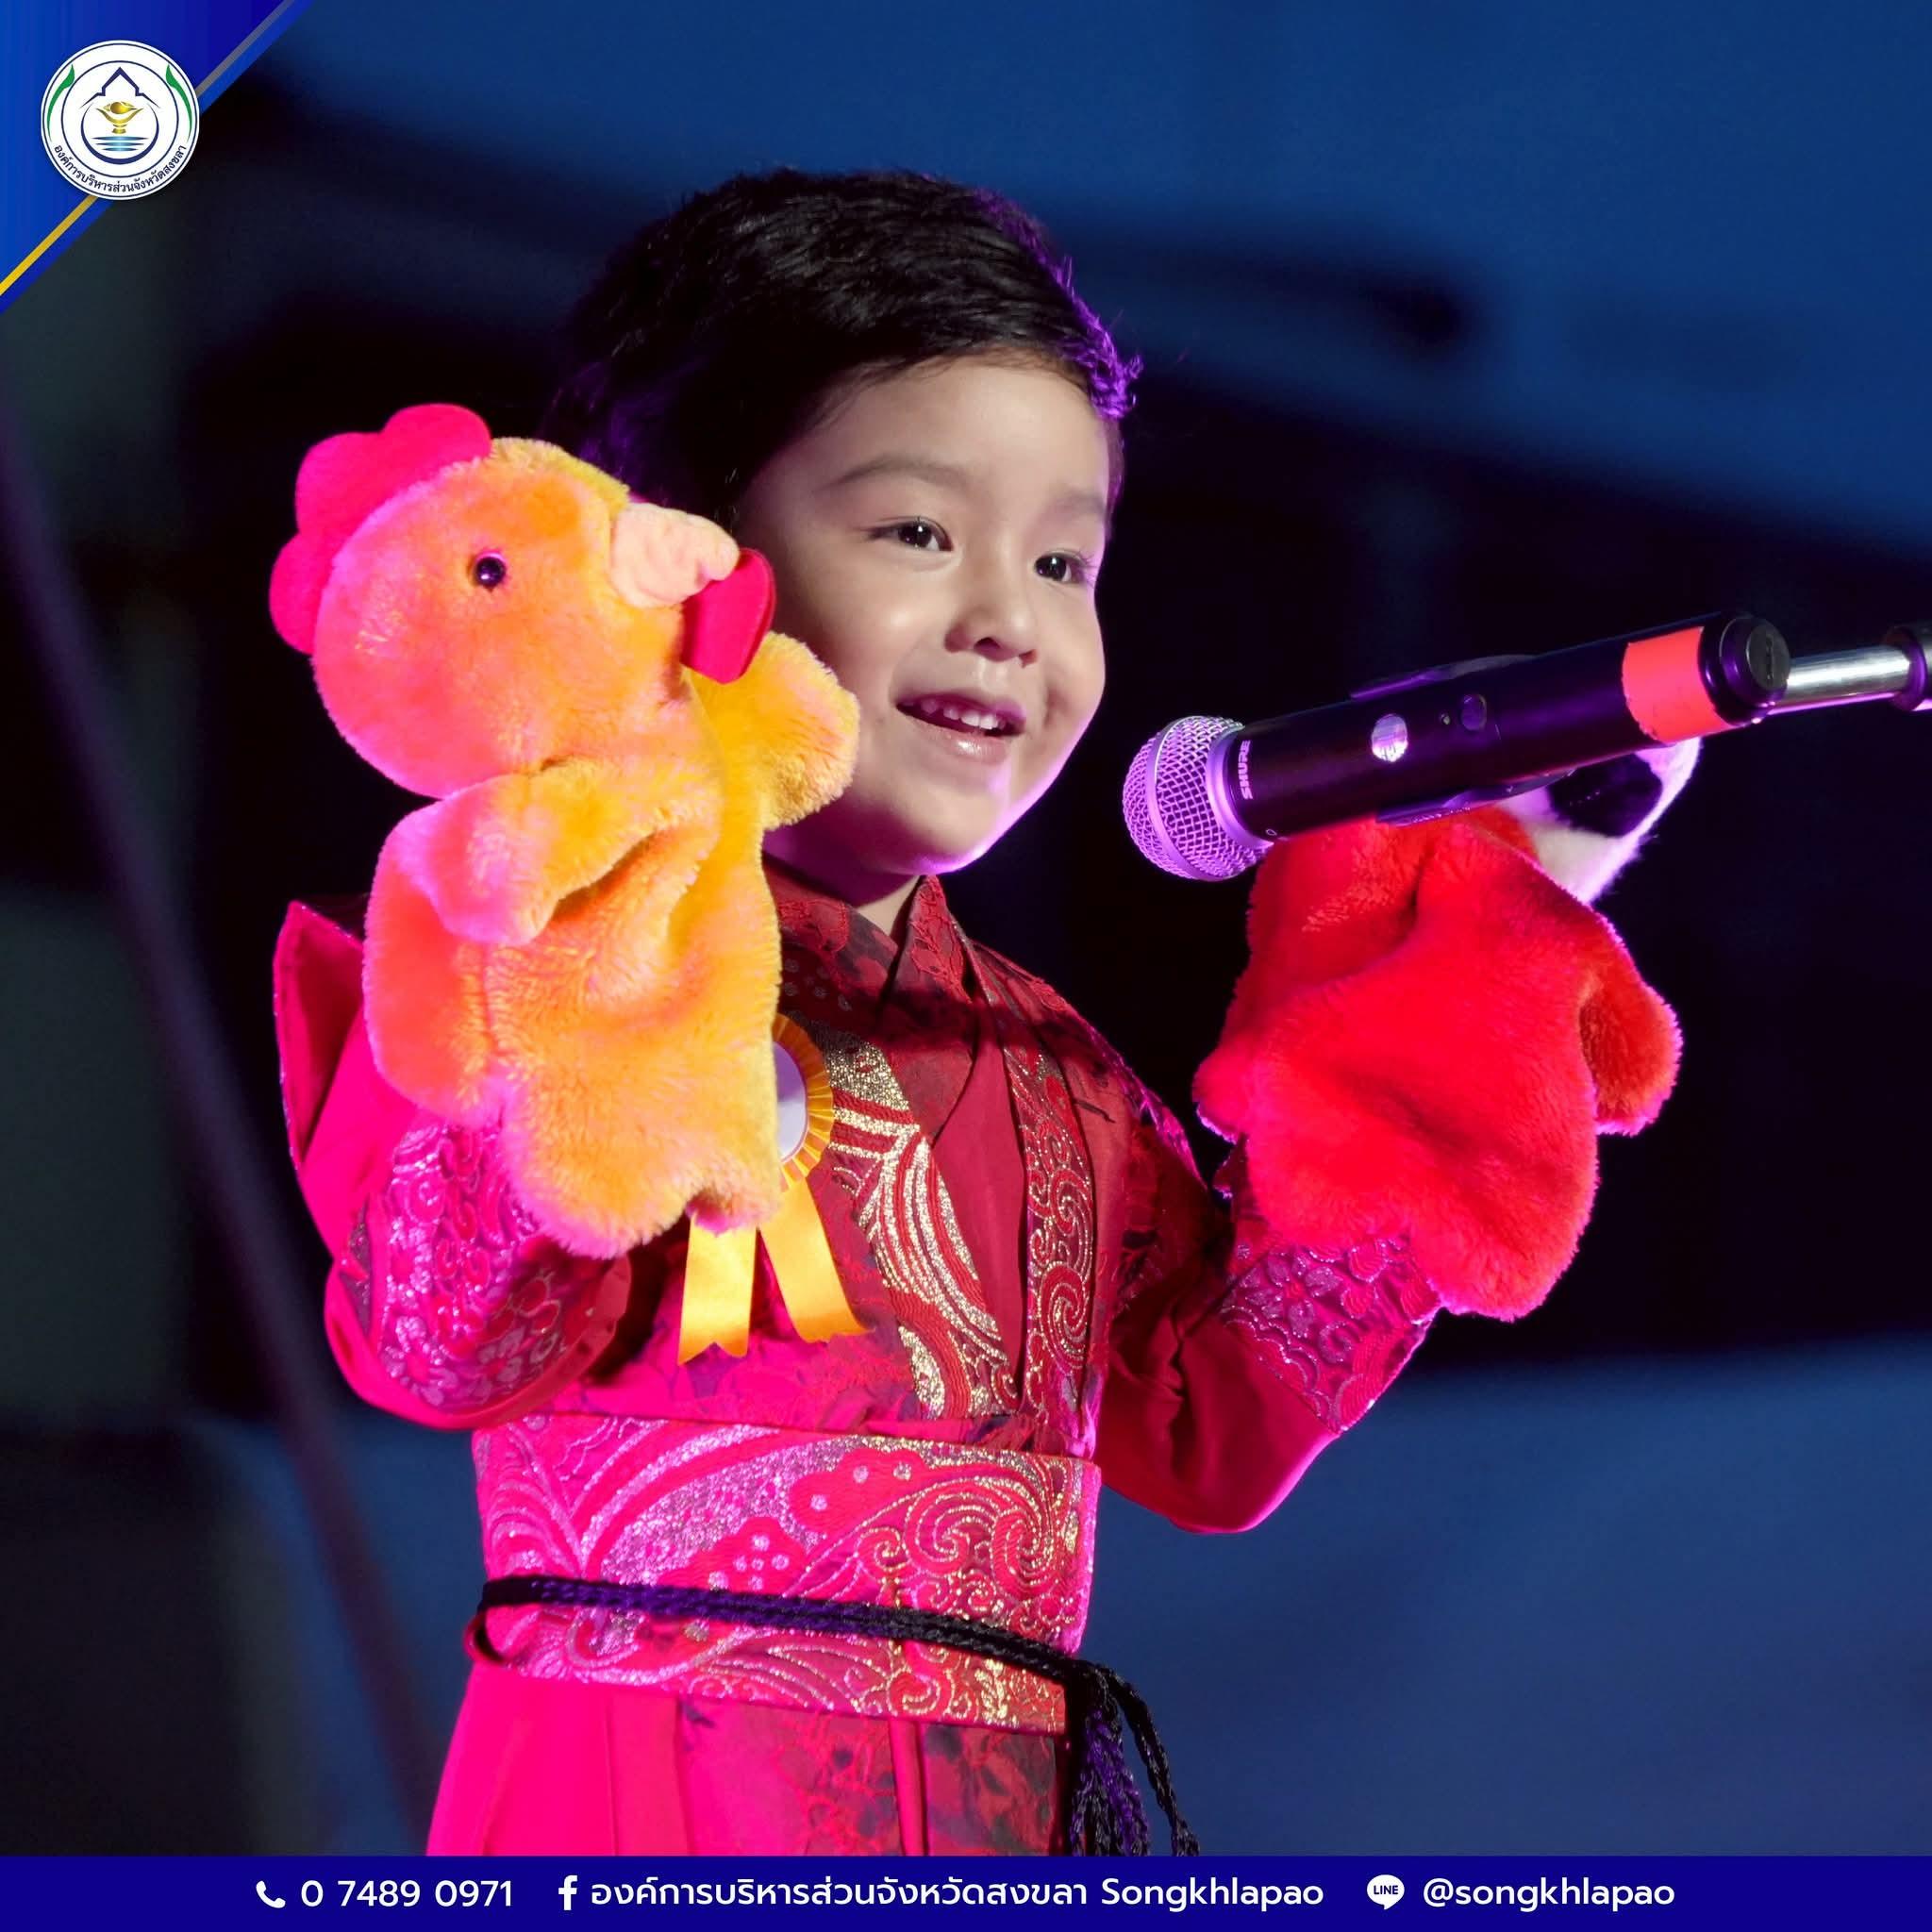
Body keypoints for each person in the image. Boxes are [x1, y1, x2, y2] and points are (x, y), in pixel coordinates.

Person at [272, 169, 1693, 1856]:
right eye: (917, 533)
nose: (1010, 622)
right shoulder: (520, 934)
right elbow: (442, 1340)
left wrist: (1477, 945)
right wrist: (603, 977)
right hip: (630, 1817)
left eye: (1065, 559)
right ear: (683, 551)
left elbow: (1223, 1426)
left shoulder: (1049, 1071)